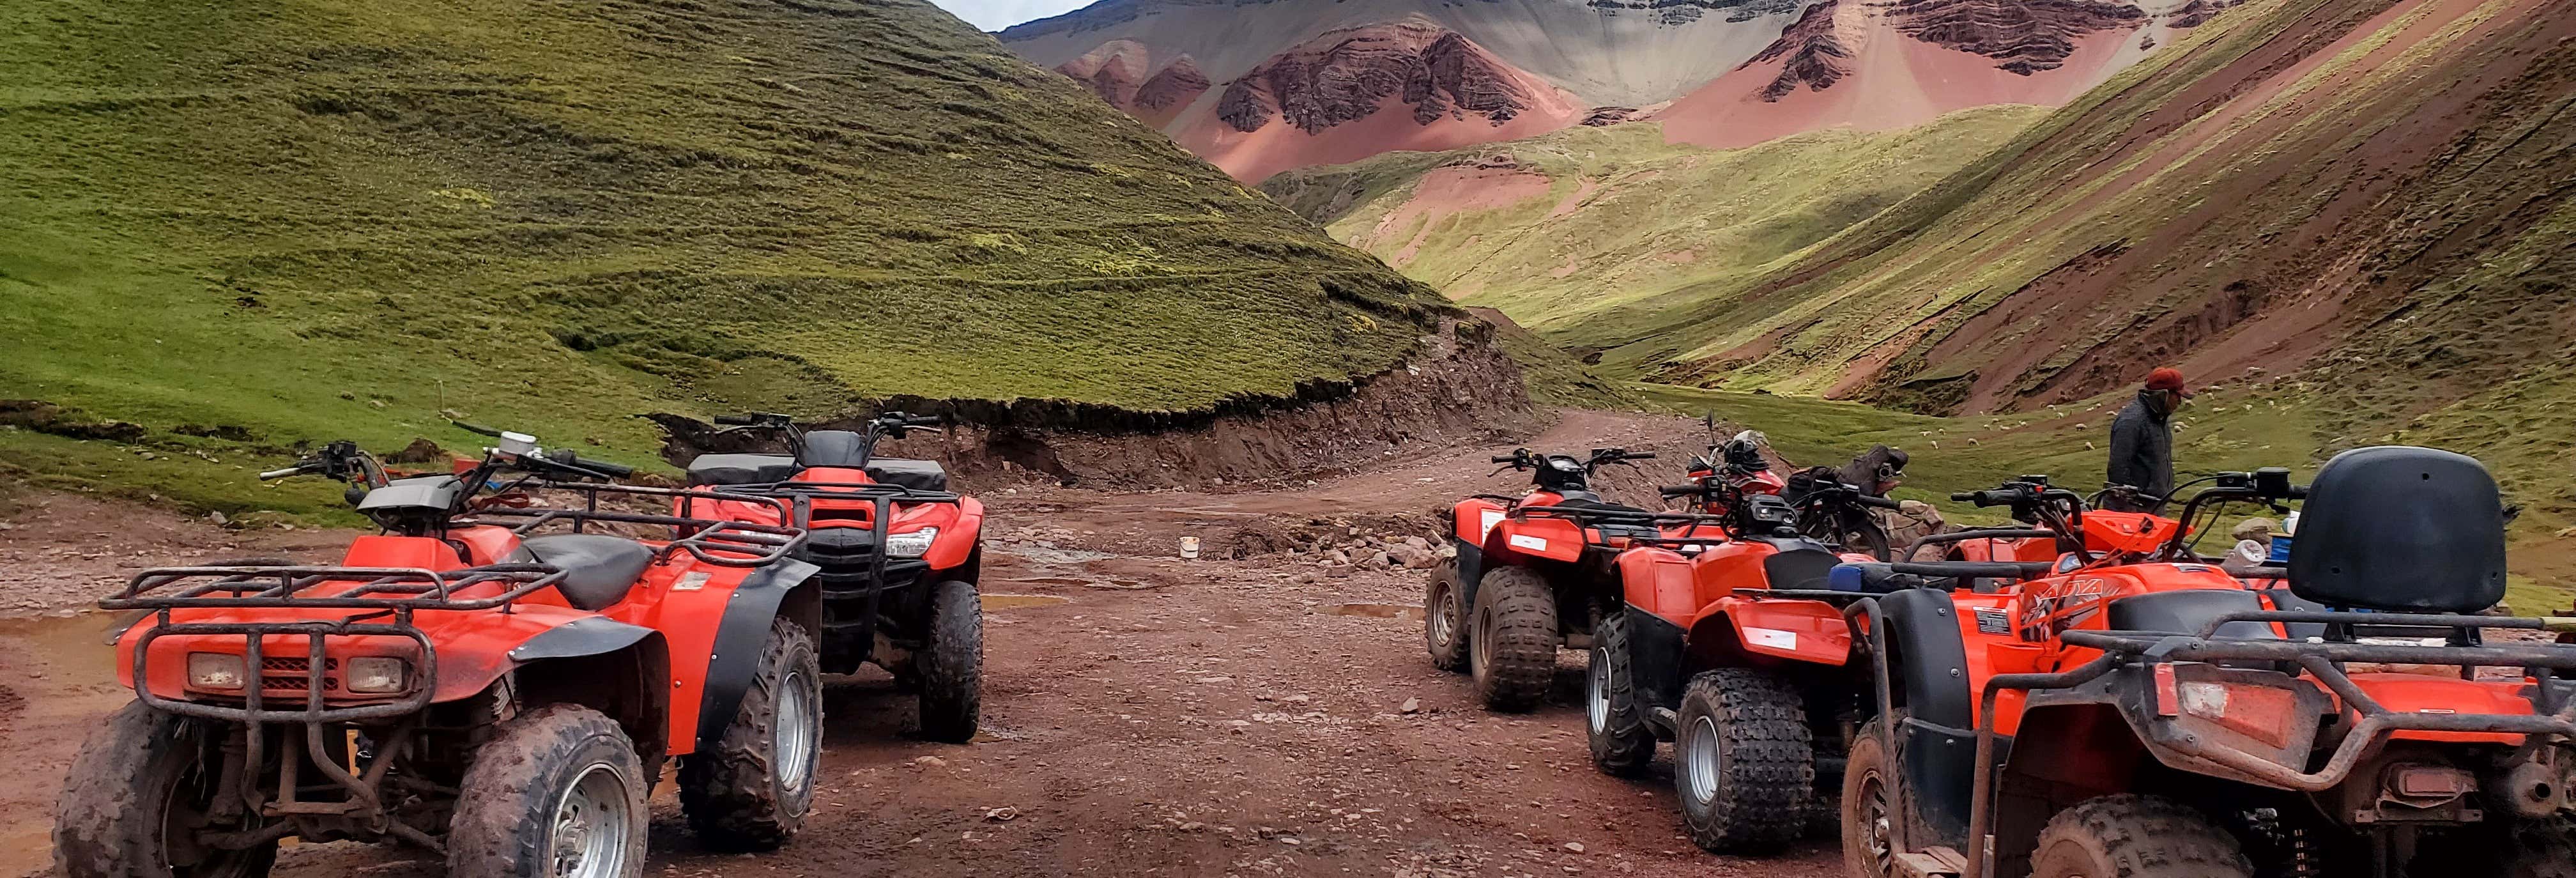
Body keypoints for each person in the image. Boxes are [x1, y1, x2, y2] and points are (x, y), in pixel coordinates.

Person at [2104, 367, 2189, 512]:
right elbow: (2118, 470)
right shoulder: (2131, 421)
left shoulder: (2160, 419)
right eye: (2178, 396)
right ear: (2164, 395)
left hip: (2154, 504)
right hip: (2135, 510)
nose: (2180, 402)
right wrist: (2130, 511)